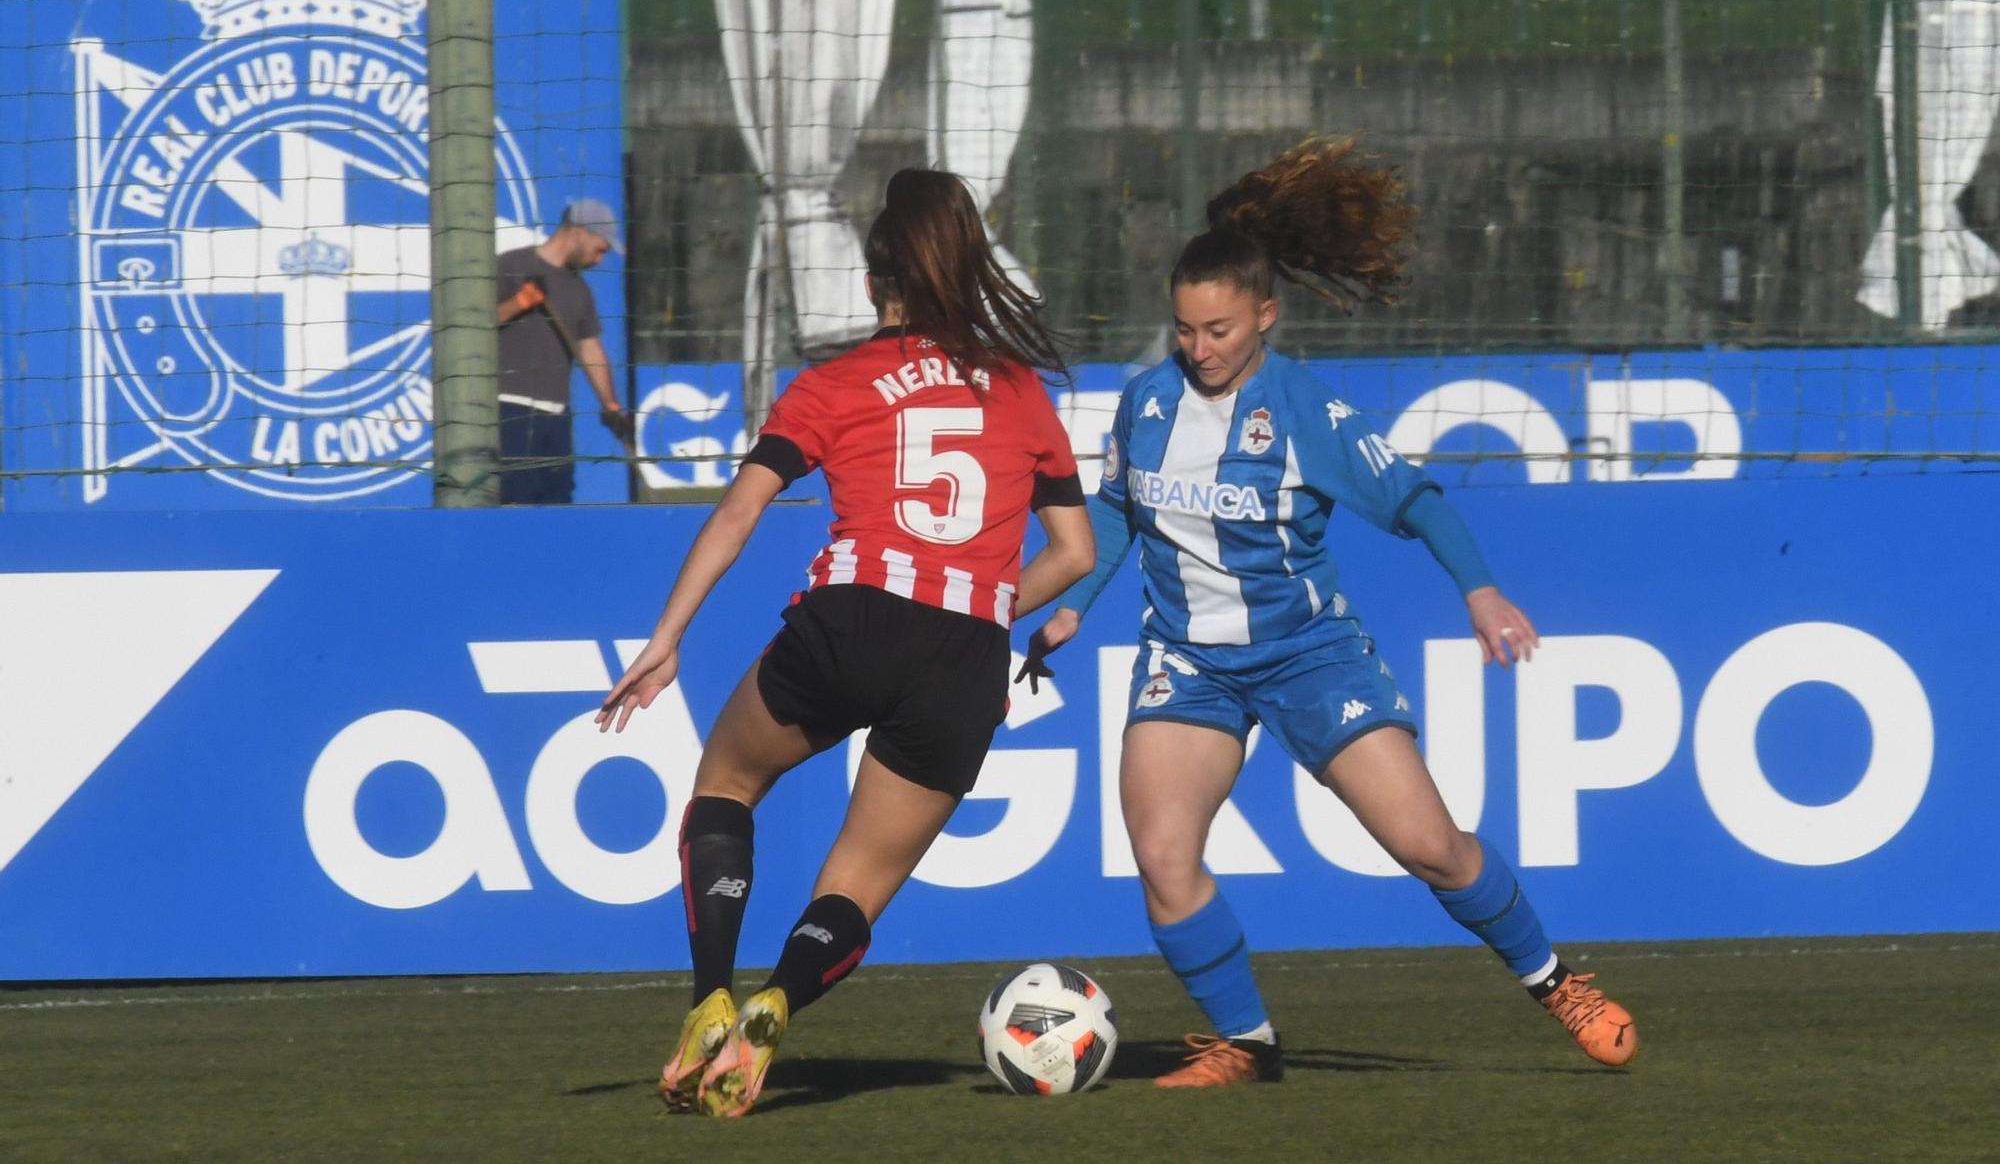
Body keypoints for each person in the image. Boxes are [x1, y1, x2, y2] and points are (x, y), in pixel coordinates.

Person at [1024, 136, 1638, 1088]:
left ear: (1265, 316)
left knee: (1432, 848)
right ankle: (1246, 1042)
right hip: (1188, 659)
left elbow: (1417, 500)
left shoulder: (1304, 413)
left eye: (1220, 329)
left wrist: (1479, 590)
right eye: (1186, 330)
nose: (1200, 349)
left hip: (1311, 657)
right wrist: (1073, 608)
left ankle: (1556, 981)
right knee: (1160, 852)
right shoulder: (1145, 403)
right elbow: (1118, 512)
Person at [596, 168, 1094, 1119]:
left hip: (851, 619)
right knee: (860, 880)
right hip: (965, 657)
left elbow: (739, 513)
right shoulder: (1022, 390)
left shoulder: (831, 384)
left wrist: (668, 638)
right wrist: (985, 601)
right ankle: (776, 1002)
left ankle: (710, 996)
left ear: (872, 285)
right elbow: (1075, 552)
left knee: (728, 781)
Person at [494, 198, 634, 504]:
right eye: (600, 249)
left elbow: (590, 348)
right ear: (579, 232)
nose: (599, 260)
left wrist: (611, 404)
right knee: (514, 500)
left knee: (557, 503)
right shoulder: (510, 265)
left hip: (556, 416)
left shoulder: (579, 290)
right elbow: (473, 325)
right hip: (509, 411)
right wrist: (519, 303)